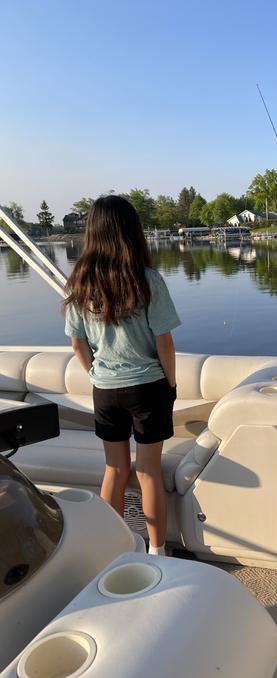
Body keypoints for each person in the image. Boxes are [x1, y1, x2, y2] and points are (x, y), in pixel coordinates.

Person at [63, 195, 181, 556]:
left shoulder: (80, 283)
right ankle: (157, 551)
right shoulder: (148, 280)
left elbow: (77, 345)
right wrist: (171, 385)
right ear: (133, 232)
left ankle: (111, 548)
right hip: (148, 388)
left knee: (113, 469)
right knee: (147, 472)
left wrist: (96, 374)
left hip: (106, 390)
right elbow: (165, 344)